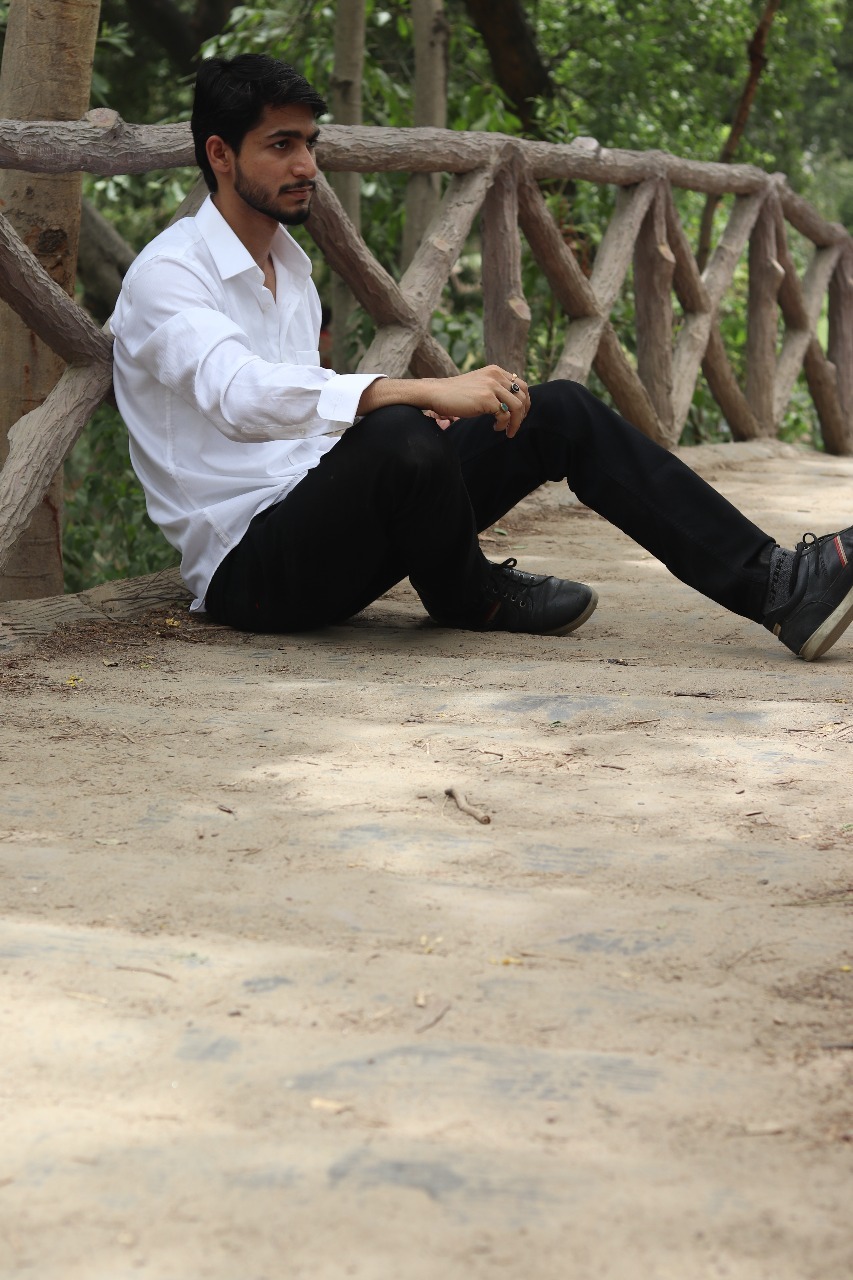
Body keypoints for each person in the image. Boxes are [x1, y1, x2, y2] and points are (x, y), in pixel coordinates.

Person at [110, 53, 853, 662]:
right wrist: (417, 395)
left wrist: (416, 424)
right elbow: (240, 398)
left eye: (310, 143)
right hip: (254, 575)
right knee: (400, 432)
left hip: (329, 521)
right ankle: (470, 593)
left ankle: (777, 587)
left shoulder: (290, 269)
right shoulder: (169, 275)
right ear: (220, 153)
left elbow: (302, 428)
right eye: (281, 145)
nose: (306, 164)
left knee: (553, 410)